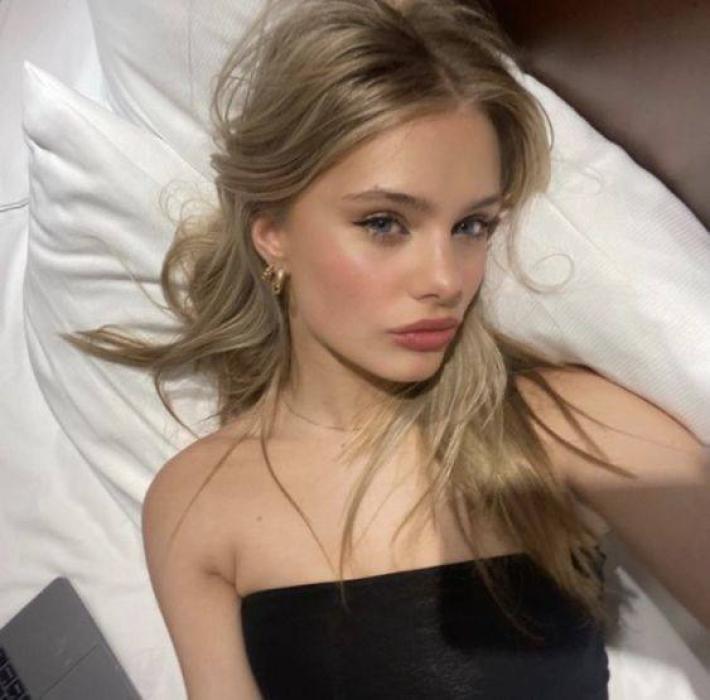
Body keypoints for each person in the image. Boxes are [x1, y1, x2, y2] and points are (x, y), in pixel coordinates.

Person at [64, 0, 709, 697]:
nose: (446, 280)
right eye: (384, 223)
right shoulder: (197, 504)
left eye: (472, 227)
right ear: (272, 232)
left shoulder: (561, 428)